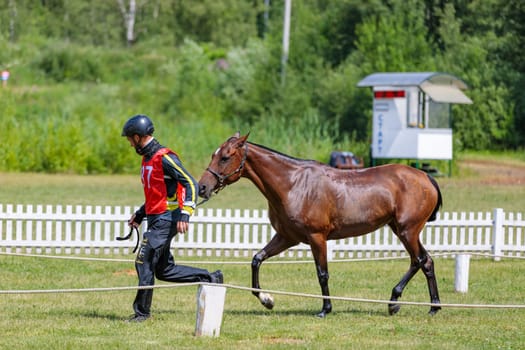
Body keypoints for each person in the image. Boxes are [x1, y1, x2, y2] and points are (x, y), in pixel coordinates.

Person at [122, 114, 223, 323]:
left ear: (138, 137)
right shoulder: (147, 159)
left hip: (167, 220)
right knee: (164, 270)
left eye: (130, 139)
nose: (130, 144)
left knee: (144, 261)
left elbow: (190, 183)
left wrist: (186, 213)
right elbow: (156, 194)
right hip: (156, 218)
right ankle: (211, 278)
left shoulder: (164, 157)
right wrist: (140, 215)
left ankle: (141, 314)